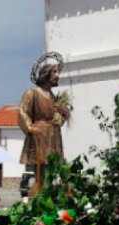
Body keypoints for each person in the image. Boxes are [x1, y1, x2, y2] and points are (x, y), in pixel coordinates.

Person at [18, 51, 70, 191]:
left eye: (57, 72)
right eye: (54, 72)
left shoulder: (54, 97)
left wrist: (62, 114)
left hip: (53, 135)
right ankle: (39, 194)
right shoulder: (32, 93)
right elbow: (23, 111)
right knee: (40, 172)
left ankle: (48, 192)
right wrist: (29, 127)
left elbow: (60, 116)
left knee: (51, 170)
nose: (57, 75)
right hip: (40, 134)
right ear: (46, 74)